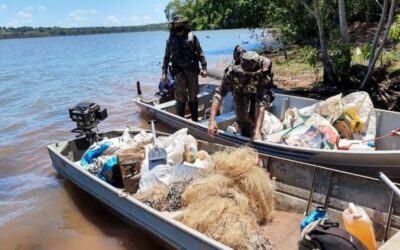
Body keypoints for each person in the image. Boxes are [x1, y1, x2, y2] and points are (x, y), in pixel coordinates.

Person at [208, 46, 274, 140]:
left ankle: (256, 133)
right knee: (242, 118)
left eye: (252, 73)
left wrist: (257, 129)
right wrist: (212, 120)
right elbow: (219, 95)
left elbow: (260, 103)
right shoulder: (232, 73)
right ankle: (244, 135)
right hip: (240, 91)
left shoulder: (263, 73)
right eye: (247, 73)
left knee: (254, 119)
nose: (249, 75)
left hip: (257, 91)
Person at [162, 15, 207, 121]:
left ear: (184, 24)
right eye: (175, 24)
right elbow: (166, 57)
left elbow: (200, 52)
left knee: (193, 95)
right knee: (180, 96)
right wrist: (163, 72)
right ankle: (180, 121)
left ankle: (195, 119)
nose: (178, 25)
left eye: (180, 24)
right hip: (179, 71)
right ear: (173, 26)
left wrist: (204, 67)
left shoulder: (193, 37)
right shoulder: (170, 41)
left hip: (192, 69)